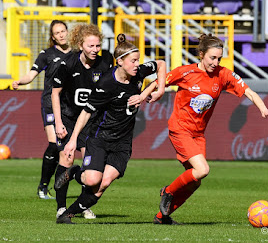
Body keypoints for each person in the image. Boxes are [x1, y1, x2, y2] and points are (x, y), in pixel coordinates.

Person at [152, 33, 268, 225]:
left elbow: (249, 91)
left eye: (219, 58)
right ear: (201, 54)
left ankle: (162, 217)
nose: (216, 62)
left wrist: (263, 108)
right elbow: (158, 82)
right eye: (212, 57)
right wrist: (148, 93)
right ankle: (167, 191)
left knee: (195, 180)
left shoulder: (223, 74)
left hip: (198, 134)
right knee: (202, 169)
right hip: (180, 129)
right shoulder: (185, 72)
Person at [54, 33, 166, 224]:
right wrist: (72, 140)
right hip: (100, 137)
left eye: (138, 60)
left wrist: (155, 90)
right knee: (91, 181)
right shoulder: (106, 84)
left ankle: (67, 216)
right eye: (133, 61)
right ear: (120, 61)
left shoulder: (138, 72)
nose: (137, 64)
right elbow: (86, 112)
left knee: (102, 184)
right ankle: (74, 173)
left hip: (122, 142)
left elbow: (162, 64)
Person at [51, 23, 113, 220]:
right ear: (80, 45)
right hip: (69, 119)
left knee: (90, 168)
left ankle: (82, 205)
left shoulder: (105, 63)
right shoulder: (67, 64)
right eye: (90, 46)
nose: (95, 50)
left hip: (93, 123)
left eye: (97, 46)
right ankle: (61, 207)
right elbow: (55, 93)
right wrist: (58, 123)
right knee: (66, 158)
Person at [12, 20, 72, 199]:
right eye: (57, 33)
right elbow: (31, 74)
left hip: (69, 106)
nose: (61, 34)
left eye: (63, 31)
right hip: (49, 103)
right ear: (53, 37)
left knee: (65, 148)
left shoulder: (77, 54)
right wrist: (19, 81)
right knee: (54, 144)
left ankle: (57, 183)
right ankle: (43, 186)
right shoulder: (47, 54)